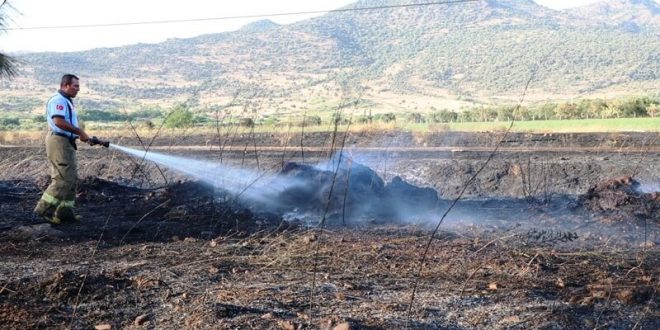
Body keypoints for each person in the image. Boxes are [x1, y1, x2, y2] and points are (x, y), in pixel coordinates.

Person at [34, 74, 91, 224]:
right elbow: (58, 121)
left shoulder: (67, 101)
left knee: (70, 178)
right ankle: (43, 210)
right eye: (75, 86)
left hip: (66, 141)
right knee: (63, 178)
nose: (78, 89)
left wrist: (82, 136)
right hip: (59, 141)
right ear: (65, 85)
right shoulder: (58, 100)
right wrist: (80, 132)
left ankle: (64, 212)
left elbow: (67, 125)